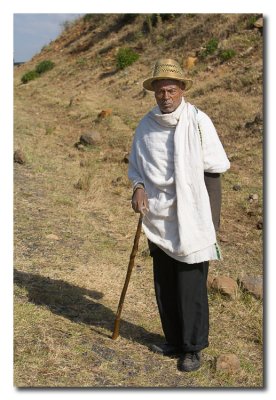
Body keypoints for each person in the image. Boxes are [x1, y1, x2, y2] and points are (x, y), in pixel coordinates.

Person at [128, 58, 230, 372]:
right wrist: (138, 188)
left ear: (182, 89)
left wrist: (210, 223)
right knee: (165, 283)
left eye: (171, 90)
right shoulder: (145, 126)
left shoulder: (199, 122)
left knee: (191, 287)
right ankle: (173, 340)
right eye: (160, 91)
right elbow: (136, 168)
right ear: (153, 93)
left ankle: (192, 348)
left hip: (193, 217)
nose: (166, 97)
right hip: (158, 217)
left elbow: (213, 174)